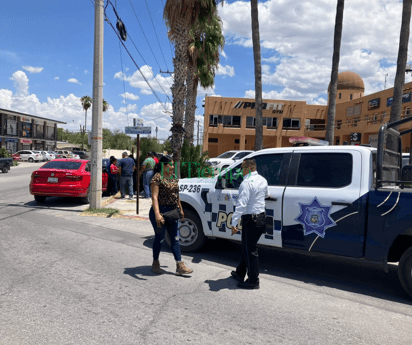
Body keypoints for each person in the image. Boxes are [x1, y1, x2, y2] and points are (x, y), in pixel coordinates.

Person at [149, 155, 193, 275]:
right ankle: (155, 263)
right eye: (171, 165)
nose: (173, 167)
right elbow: (154, 198)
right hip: (160, 211)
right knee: (160, 238)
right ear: (164, 166)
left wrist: (180, 208)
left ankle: (179, 265)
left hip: (173, 212)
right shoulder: (157, 178)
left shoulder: (173, 177)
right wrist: (158, 214)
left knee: (175, 238)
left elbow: (176, 195)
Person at [230, 158, 269, 289]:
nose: (241, 171)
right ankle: (240, 273)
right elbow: (266, 194)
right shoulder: (263, 180)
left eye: (242, 168)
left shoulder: (246, 183)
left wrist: (233, 223)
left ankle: (253, 280)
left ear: (247, 168)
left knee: (250, 250)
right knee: (247, 247)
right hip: (261, 218)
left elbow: (241, 205)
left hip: (251, 220)